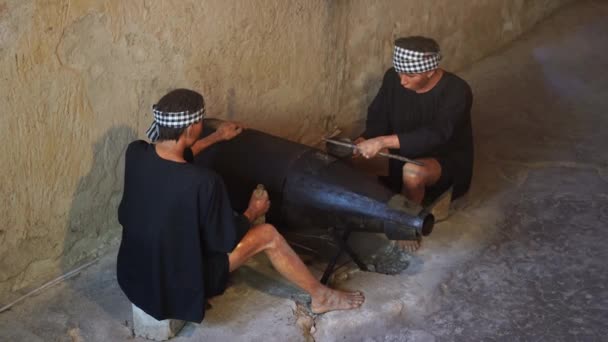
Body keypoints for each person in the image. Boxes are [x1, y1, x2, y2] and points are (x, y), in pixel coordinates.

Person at [117, 88, 364, 323]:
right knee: (268, 235)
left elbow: (178, 155)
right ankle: (321, 296)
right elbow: (225, 241)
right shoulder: (203, 182)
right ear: (192, 128)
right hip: (174, 292)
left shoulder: (136, 153)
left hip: (132, 277)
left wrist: (216, 137)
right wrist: (253, 211)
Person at [355, 36, 474, 251]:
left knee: (413, 172)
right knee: (352, 155)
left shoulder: (457, 90)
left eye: (410, 75)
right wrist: (368, 138)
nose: (403, 80)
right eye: (400, 72)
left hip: (443, 159)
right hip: (401, 151)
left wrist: (382, 141)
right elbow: (379, 114)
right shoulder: (393, 77)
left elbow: (437, 134)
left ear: (430, 71)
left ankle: (405, 225)